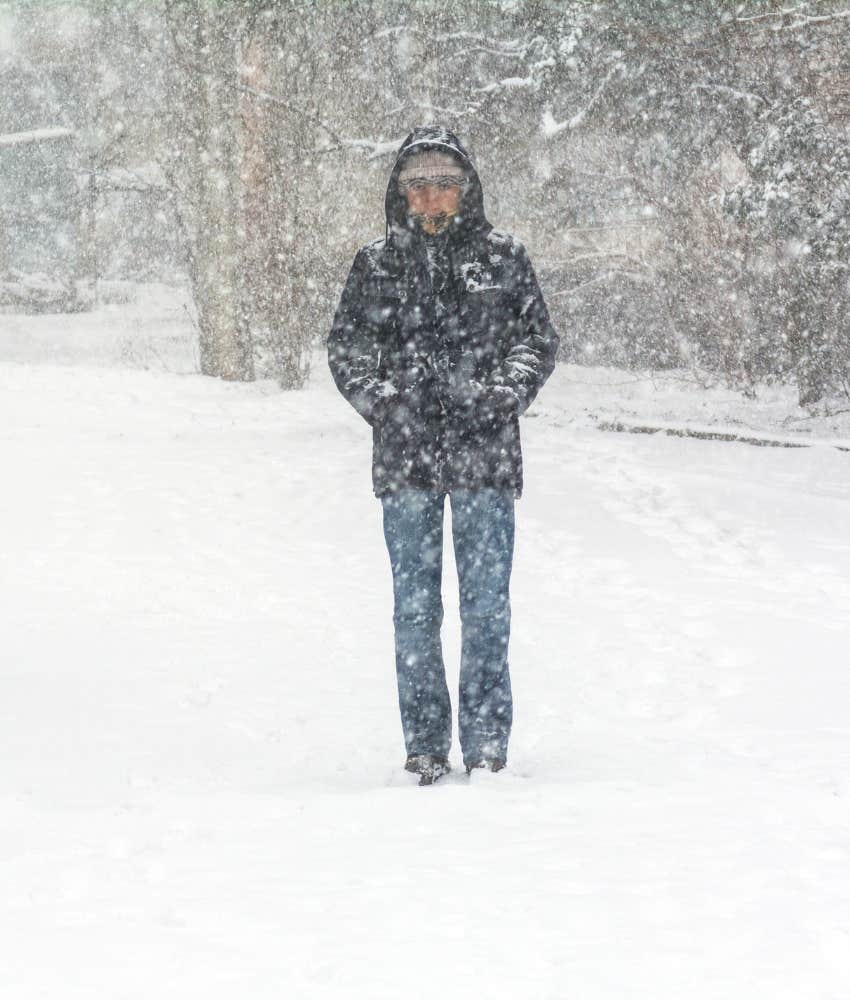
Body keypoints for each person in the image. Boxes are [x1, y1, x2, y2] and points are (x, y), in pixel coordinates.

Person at [327, 125, 559, 785]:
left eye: (444, 184)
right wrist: (388, 405)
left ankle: (487, 746)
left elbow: (537, 340)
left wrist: (500, 396)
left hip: (486, 457)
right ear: (401, 192)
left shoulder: (504, 257)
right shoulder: (377, 264)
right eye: (418, 184)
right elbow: (347, 349)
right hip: (407, 462)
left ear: (466, 190)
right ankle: (425, 745)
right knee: (415, 609)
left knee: (487, 605)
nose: (431, 196)